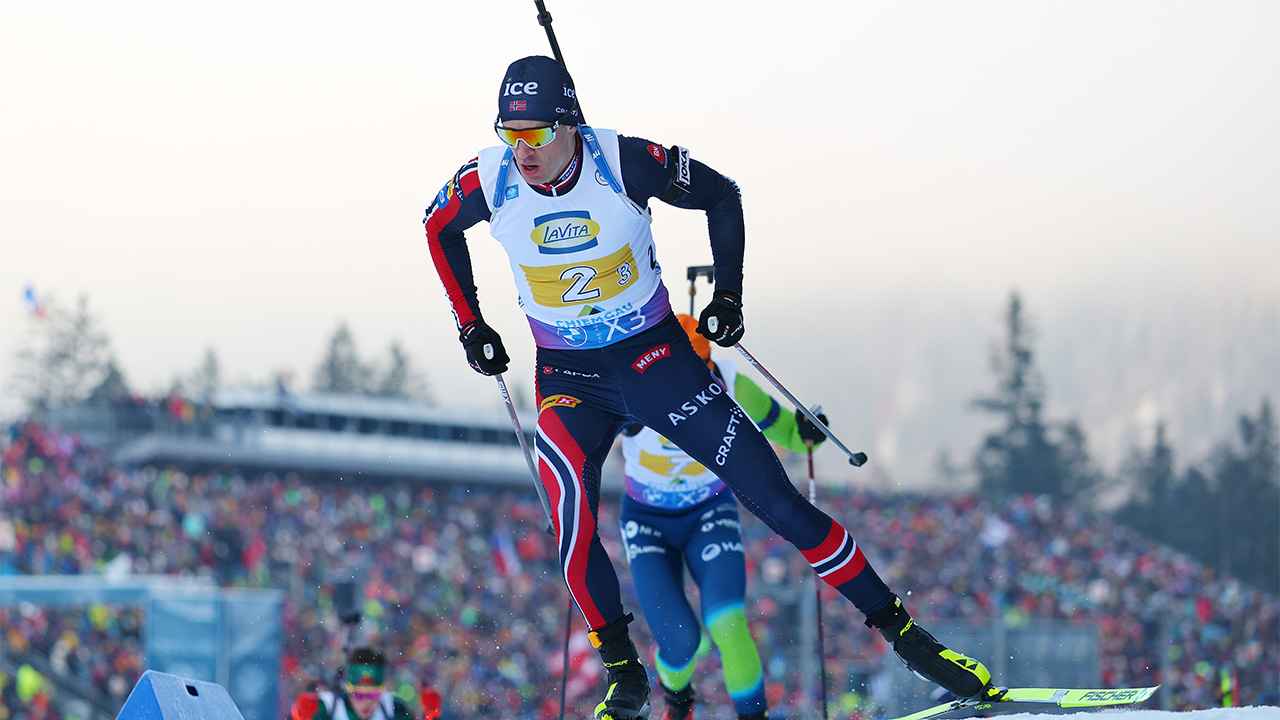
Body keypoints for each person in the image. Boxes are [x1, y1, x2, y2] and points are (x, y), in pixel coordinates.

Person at [422, 55, 1001, 720]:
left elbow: (723, 194)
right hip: (570, 380)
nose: (520, 150)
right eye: (508, 133)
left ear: (569, 125)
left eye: (535, 133)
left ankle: (910, 638)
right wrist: (472, 326)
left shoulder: (624, 161)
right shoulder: (487, 179)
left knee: (779, 504)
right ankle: (623, 673)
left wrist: (729, 294)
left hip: (658, 365)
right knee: (571, 517)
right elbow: (436, 228)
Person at [617, 314, 829, 720]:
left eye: (702, 371)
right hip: (647, 522)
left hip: (708, 512)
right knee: (681, 644)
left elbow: (789, 433)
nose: (696, 383)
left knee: (728, 624)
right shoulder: (632, 391)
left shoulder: (730, 383)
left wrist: (808, 431)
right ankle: (678, 705)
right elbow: (580, 441)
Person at [290, 647, 419, 720]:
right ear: (347, 690)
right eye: (359, 695)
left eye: (373, 695)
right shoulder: (328, 707)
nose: (366, 702)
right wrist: (297, 715)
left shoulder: (394, 709)